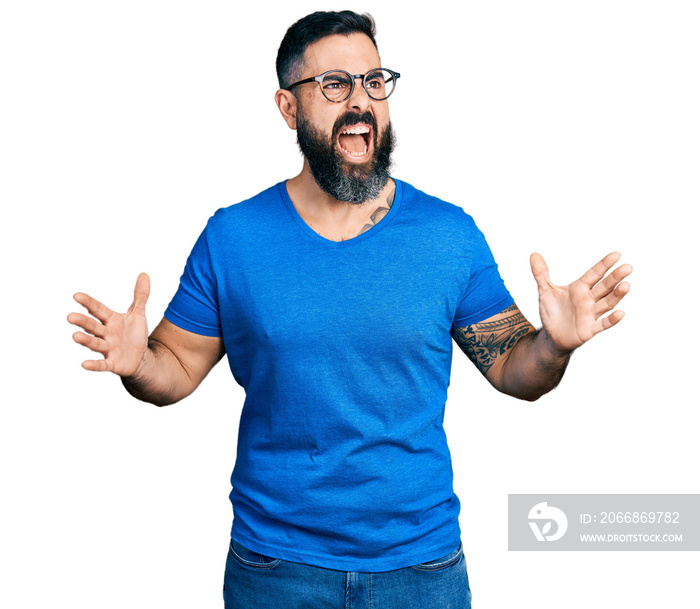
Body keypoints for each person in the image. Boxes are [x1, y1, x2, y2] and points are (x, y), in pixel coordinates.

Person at [67, 10, 632, 609]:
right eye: (334, 84)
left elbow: (515, 370)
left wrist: (554, 345)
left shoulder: (448, 235)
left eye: (373, 81)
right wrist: (136, 364)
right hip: (275, 567)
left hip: (421, 567)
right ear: (288, 108)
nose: (360, 101)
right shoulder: (234, 237)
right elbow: (175, 367)